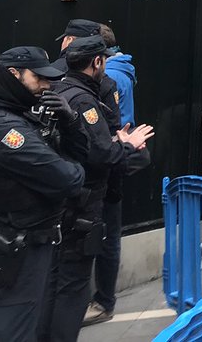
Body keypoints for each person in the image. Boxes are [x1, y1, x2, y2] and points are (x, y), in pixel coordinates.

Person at [41, 35, 153, 342]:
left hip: (62, 201)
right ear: (98, 62)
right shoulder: (84, 100)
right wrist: (127, 145)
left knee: (55, 279)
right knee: (72, 287)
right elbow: (101, 153)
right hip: (82, 203)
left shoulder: (61, 89)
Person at [0, 47, 87, 342]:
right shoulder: (4, 129)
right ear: (14, 75)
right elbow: (69, 179)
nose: (46, 86)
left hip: (31, 239)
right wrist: (73, 167)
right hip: (18, 244)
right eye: (38, 78)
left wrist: (71, 123)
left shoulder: (15, 117)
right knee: (14, 328)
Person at [83, 22, 137, 327]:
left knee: (107, 232)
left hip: (107, 162)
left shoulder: (111, 75)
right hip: (112, 157)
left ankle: (103, 299)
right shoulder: (120, 71)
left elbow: (115, 124)